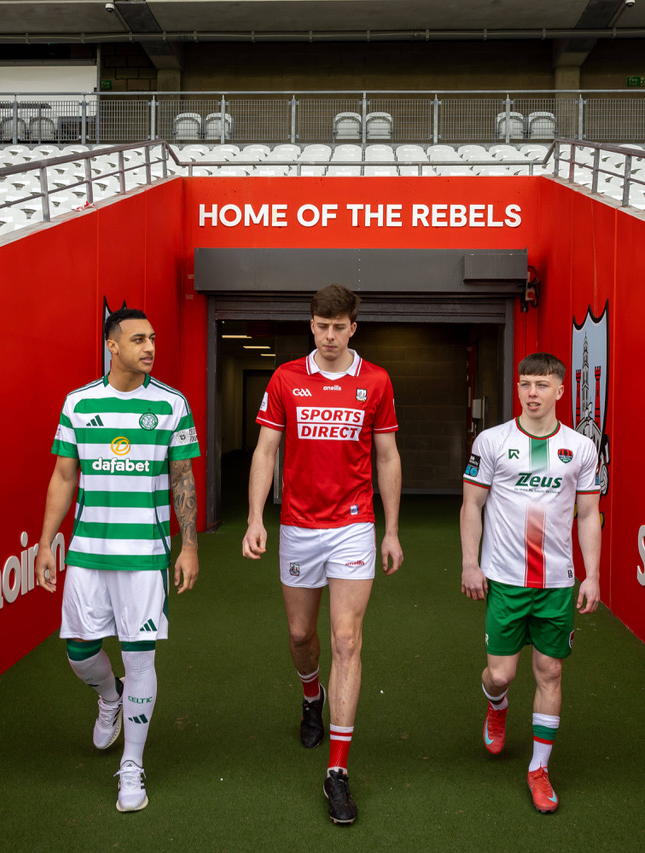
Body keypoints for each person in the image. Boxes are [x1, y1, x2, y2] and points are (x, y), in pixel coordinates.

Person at [242, 283, 403, 826]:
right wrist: (254, 518)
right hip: (298, 527)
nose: (330, 335)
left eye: (339, 327)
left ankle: (337, 771)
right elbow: (266, 449)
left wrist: (392, 530)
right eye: (321, 325)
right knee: (300, 636)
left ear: (354, 327)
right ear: (310, 324)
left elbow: (387, 456)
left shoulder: (375, 381)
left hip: (353, 525)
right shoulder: (286, 377)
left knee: (347, 639)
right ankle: (311, 695)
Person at [34, 307, 200, 814]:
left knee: (140, 657)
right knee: (80, 653)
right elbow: (65, 476)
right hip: (88, 552)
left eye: (152, 339)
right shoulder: (80, 404)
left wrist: (189, 544)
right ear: (113, 346)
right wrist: (46, 542)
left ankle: (132, 764)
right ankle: (110, 696)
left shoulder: (172, 405)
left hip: (145, 556)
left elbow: (181, 479)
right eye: (137, 339)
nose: (149, 347)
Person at [459, 352, 601, 814]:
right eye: (526, 384)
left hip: (556, 583)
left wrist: (593, 575)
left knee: (551, 671)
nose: (532, 393)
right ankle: (496, 704)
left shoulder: (581, 448)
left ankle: (539, 769)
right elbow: (472, 505)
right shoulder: (492, 441)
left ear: (561, 390)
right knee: (501, 674)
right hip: (504, 579)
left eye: (542, 385)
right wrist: (469, 563)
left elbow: (588, 515)